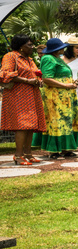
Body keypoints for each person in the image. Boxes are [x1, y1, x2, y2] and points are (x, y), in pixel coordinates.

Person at [31, 37, 78, 158]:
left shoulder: (58, 58)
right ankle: (54, 150)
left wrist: (73, 82)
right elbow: (46, 78)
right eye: (61, 47)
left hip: (65, 95)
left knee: (66, 121)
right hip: (54, 96)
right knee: (57, 121)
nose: (64, 49)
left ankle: (66, 149)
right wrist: (66, 85)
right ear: (57, 49)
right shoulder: (47, 58)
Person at [0, 35, 46, 165]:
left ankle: (28, 154)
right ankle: (18, 156)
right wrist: (27, 80)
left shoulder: (30, 60)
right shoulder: (10, 56)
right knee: (22, 125)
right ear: (21, 47)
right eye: (29, 45)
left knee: (31, 126)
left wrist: (38, 81)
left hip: (32, 95)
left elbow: (35, 73)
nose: (32, 47)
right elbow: (5, 74)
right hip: (17, 95)